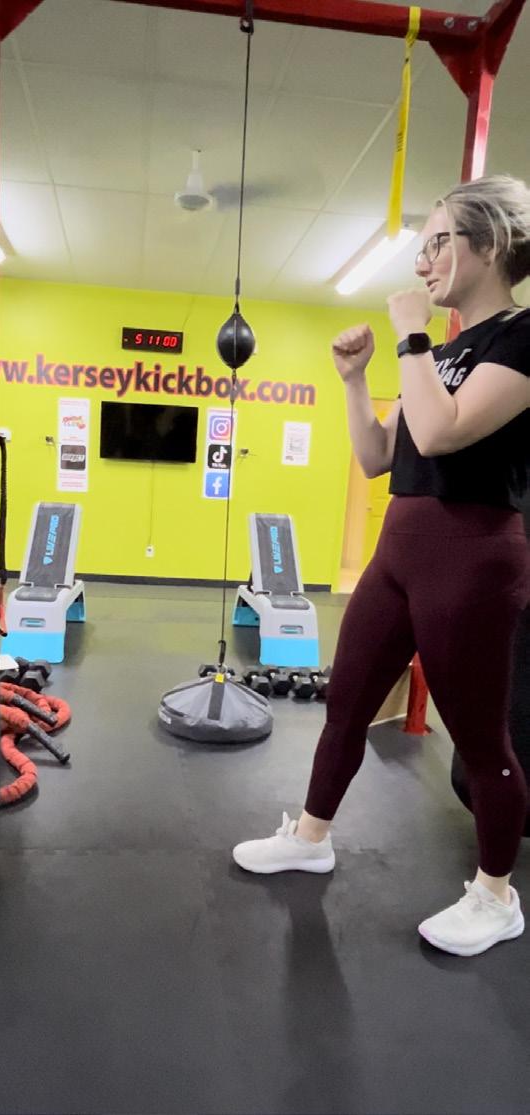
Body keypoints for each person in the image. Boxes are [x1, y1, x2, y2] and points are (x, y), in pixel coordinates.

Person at [232, 174, 530, 957]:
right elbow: (378, 454)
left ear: (489, 245)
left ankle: (496, 894)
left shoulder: (521, 337)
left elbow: (442, 432)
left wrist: (410, 337)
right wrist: (355, 378)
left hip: (472, 558)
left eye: (438, 242)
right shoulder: (447, 350)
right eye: (421, 246)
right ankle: (310, 835)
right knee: (347, 701)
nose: (423, 261)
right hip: (399, 550)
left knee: (482, 741)